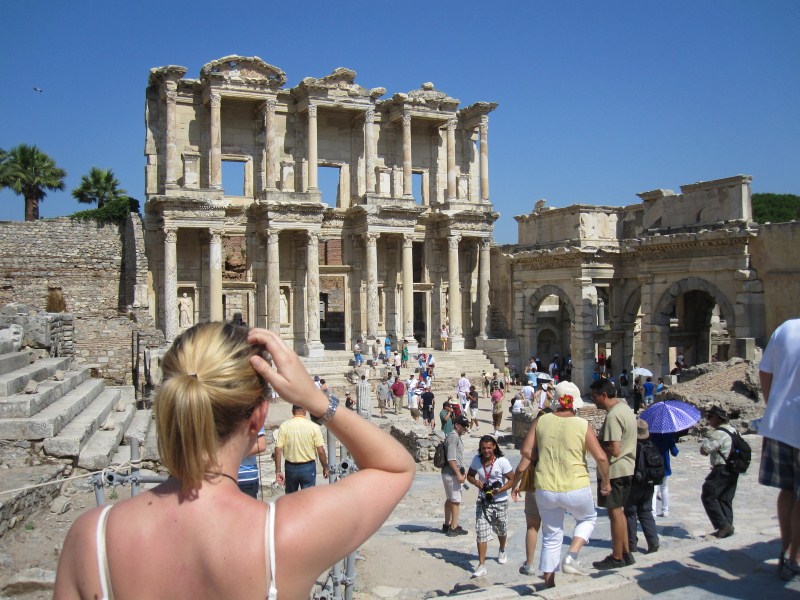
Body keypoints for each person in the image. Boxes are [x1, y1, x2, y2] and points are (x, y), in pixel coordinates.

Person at [54, 323, 415, 600]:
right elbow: (395, 466)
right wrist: (319, 401)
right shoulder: (287, 536)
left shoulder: (90, 539)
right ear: (259, 417)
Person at [515, 381, 610, 588]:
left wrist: (538, 459)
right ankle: (572, 556)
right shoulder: (581, 424)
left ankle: (549, 582)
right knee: (587, 518)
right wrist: (606, 482)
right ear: (574, 403)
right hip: (575, 484)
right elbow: (601, 458)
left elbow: (525, 451)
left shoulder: (541, 421)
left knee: (551, 534)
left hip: (545, 487)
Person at [758, 318, 800, 581]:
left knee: (788, 490)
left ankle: (785, 550)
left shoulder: (786, 328)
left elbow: (764, 372)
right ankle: (796, 558)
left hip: (778, 424)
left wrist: (772, 406)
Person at [590, 377, 638, 570]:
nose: (594, 401)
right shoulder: (625, 409)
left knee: (615, 514)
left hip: (615, 470)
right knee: (620, 513)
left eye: (595, 397)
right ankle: (626, 553)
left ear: (604, 395)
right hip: (627, 468)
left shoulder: (612, 416)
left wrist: (594, 442)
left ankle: (616, 557)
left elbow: (614, 448)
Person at [466, 435, 514, 578]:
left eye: (489, 447)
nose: (486, 451)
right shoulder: (476, 460)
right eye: (483, 448)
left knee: (501, 529)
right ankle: (481, 565)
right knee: (481, 531)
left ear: (494, 447)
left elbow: (512, 479)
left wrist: (500, 490)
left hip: (500, 501)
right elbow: (470, 475)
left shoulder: (502, 461)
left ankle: (502, 549)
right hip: (483, 501)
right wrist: (476, 482)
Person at [700, 405, 739, 539]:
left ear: (718, 418)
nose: (708, 419)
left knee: (708, 495)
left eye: (710, 417)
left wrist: (707, 438)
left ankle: (723, 525)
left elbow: (704, 450)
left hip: (721, 469)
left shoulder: (718, 433)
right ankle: (728, 526)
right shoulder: (733, 430)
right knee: (725, 498)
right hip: (734, 468)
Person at [275, 405, 329, 493]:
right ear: (305, 411)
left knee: (291, 498)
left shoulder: (284, 426)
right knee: (308, 498)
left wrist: (278, 471)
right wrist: (325, 467)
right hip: (308, 467)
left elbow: (278, 450)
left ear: (292, 411)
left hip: (290, 468)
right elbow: (321, 451)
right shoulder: (313, 426)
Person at [624, 420, 660, 554]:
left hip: (635, 484)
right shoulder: (651, 445)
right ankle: (653, 541)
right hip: (649, 483)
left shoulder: (633, 447)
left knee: (630, 512)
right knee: (646, 511)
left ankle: (631, 544)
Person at [442, 415, 471, 537]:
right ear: (457, 425)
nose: (465, 429)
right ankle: (454, 526)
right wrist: (458, 473)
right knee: (456, 500)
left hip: (448, 472)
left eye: (466, 426)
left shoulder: (454, 436)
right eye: (463, 426)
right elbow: (451, 458)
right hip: (452, 473)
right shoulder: (454, 438)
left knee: (449, 499)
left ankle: (447, 524)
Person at [651, 431, 679, 517]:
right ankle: (665, 510)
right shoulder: (668, 435)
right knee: (664, 488)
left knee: (654, 490)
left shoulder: (651, 434)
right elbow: (675, 452)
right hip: (665, 466)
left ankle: (653, 512)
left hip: (653, 465)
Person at [237, 425, 267, 498]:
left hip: (246, 476)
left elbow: (261, 445)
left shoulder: (253, 418)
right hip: (223, 477)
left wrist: (235, 453)